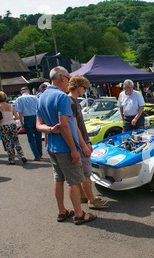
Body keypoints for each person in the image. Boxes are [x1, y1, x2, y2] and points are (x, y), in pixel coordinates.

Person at [36, 66, 96, 225]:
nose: (69, 82)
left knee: (58, 179)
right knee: (74, 182)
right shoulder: (61, 97)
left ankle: (62, 211)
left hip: (51, 147)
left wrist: (49, 129)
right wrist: (73, 149)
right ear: (62, 77)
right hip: (65, 148)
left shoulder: (41, 97)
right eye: (68, 78)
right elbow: (65, 126)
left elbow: (38, 125)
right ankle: (79, 214)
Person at [68, 75, 108, 209]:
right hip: (80, 144)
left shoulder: (74, 102)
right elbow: (74, 127)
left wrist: (87, 141)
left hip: (82, 142)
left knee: (82, 171)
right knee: (86, 173)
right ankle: (91, 199)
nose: (85, 91)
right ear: (78, 87)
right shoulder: (72, 103)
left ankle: (83, 196)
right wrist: (84, 144)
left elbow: (79, 125)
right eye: (84, 88)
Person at [0, 91, 27, 165]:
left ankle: (12, 159)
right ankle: (21, 154)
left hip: (3, 125)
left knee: (7, 142)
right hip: (12, 124)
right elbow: (17, 117)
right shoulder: (11, 106)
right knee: (16, 140)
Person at [15, 86, 43, 161]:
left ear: (21, 92)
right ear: (28, 90)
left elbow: (19, 113)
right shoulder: (34, 97)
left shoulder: (19, 99)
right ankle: (40, 153)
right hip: (36, 117)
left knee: (31, 137)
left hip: (27, 118)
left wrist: (21, 123)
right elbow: (39, 108)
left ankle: (36, 154)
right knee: (38, 136)